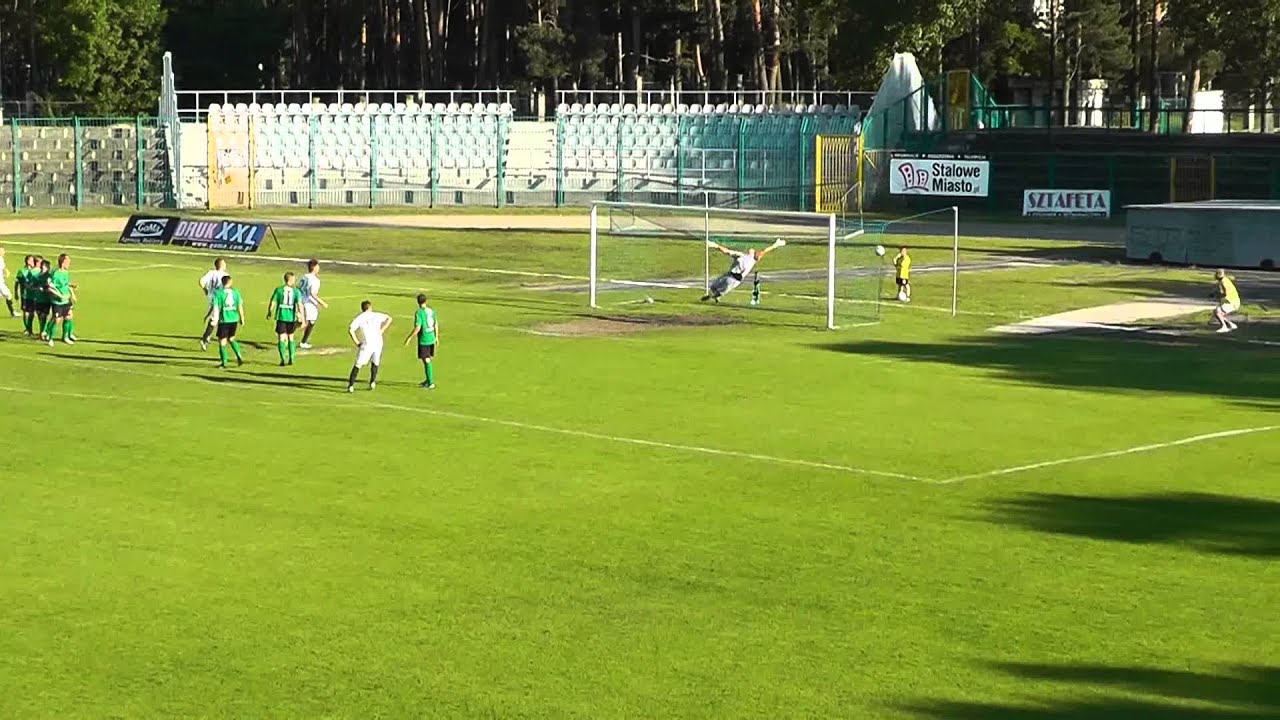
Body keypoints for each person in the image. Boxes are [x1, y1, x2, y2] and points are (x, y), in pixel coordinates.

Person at [700, 238, 786, 303]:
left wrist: (776, 244)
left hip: (735, 279)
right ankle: (715, 296)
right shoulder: (740, 255)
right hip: (729, 274)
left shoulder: (754, 259)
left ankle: (712, 296)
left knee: (721, 291)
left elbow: (765, 251)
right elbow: (726, 251)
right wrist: (714, 245)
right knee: (713, 287)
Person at [347, 300, 392, 393]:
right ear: (370, 307)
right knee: (375, 362)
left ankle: (351, 385)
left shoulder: (360, 317)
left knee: (358, 364)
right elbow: (389, 318)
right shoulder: (376, 315)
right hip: (378, 342)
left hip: (367, 343)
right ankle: (372, 381)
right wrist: (382, 330)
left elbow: (351, 329)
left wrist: (357, 342)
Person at [266, 272, 305, 366]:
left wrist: (269, 312)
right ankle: (291, 357)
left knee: (281, 338)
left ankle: (283, 358)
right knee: (290, 337)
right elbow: (300, 305)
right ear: (291, 280)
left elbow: (273, 302)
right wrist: (303, 319)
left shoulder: (279, 290)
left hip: (281, 317)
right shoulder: (296, 291)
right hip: (291, 317)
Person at [403, 293, 439, 389]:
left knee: (426, 360)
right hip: (431, 337)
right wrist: (436, 337)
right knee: (428, 359)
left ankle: (431, 383)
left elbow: (418, 327)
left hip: (424, 339)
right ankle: (428, 379)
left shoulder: (419, 313)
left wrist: (410, 337)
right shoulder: (431, 311)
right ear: (426, 301)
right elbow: (436, 324)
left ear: (417, 302)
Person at [211, 275, 245, 367]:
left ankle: (224, 362)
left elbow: (216, 308)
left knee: (222, 341)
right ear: (230, 282)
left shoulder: (219, 294)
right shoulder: (236, 292)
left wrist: (215, 320)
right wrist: (242, 318)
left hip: (224, 320)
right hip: (234, 319)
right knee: (232, 338)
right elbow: (240, 306)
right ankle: (239, 356)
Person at [43, 253, 77, 346]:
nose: (69, 263)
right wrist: (59, 295)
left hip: (66, 299)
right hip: (57, 301)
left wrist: (72, 293)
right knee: (56, 320)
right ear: (63, 262)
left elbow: (66, 284)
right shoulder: (55, 273)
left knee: (68, 316)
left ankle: (65, 337)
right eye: (68, 261)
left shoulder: (66, 272)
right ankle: (49, 337)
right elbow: (50, 287)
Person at [198, 258, 229, 350]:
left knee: (216, 318)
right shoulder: (226, 275)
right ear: (221, 265)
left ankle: (208, 336)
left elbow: (201, 281)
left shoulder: (211, 273)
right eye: (224, 263)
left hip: (212, 298)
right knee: (216, 319)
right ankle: (205, 339)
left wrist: (206, 290)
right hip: (220, 299)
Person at [297, 259, 328, 349]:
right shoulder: (315, 280)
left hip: (301, 301)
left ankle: (288, 332)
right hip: (309, 302)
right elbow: (313, 293)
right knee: (311, 321)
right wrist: (322, 303)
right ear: (313, 267)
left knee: (303, 320)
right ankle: (303, 342)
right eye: (317, 266)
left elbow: (299, 288)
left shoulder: (303, 277)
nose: (319, 268)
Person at [1213, 269, 1241, 334]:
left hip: (1233, 302)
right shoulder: (1224, 280)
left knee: (1218, 311)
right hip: (1232, 302)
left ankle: (1224, 327)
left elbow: (1226, 294)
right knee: (1218, 313)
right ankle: (1231, 324)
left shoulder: (1224, 282)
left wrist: (1220, 297)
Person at [15, 255, 38, 335]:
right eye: (32, 261)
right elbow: (17, 283)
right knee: (26, 312)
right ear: (28, 261)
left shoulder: (36, 271)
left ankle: (29, 328)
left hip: (34, 295)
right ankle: (27, 328)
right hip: (25, 295)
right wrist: (16, 293)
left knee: (32, 313)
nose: (33, 262)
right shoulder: (22, 271)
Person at [33, 258, 52, 341]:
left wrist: (45, 289)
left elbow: (52, 286)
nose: (42, 267)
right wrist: (37, 288)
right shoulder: (37, 276)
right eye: (42, 265)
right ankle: (43, 331)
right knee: (40, 317)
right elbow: (32, 286)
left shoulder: (49, 276)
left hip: (46, 299)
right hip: (38, 299)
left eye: (44, 266)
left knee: (44, 316)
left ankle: (42, 332)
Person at [0, 246, 15, 317]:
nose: (3, 252)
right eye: (2, 251)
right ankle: (13, 312)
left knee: (7, 295)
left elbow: (3, 267)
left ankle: (12, 312)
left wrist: (6, 271)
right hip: (0, 283)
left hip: (1, 281)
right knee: (9, 295)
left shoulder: (1, 259)